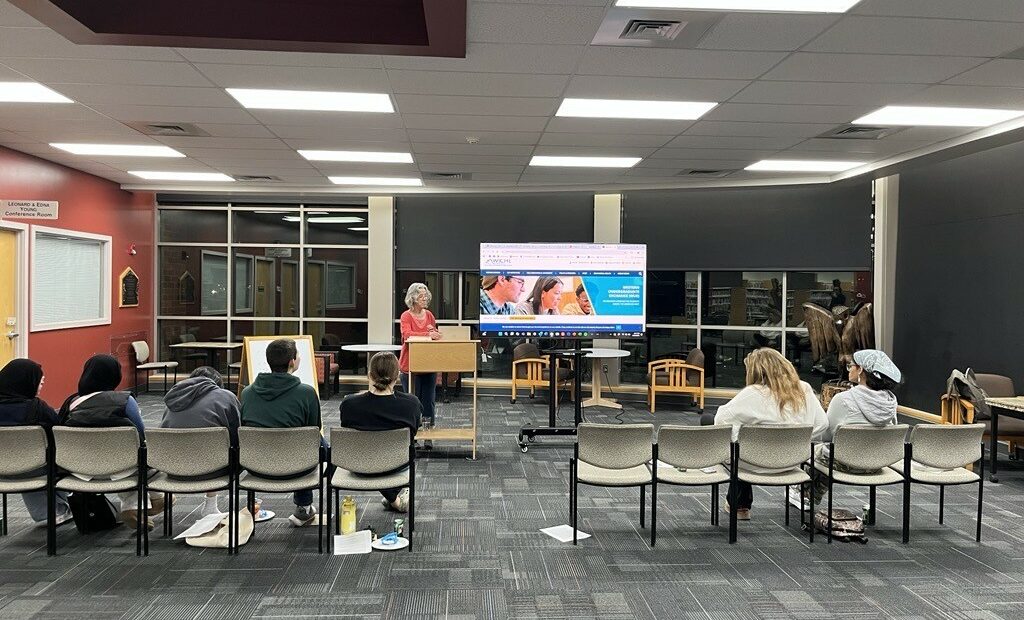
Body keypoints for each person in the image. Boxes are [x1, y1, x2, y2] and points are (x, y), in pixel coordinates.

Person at [710, 348, 827, 521]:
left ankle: (740, 505)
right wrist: (799, 439)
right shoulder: (804, 389)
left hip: (755, 463)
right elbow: (823, 424)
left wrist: (744, 437)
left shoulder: (752, 393)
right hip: (792, 461)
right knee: (746, 439)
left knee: (727, 435)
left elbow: (721, 420)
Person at [61, 354, 162, 531]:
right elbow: (140, 435)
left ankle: (138, 506)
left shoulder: (71, 403)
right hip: (123, 469)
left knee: (124, 461)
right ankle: (137, 505)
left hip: (80, 471)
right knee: (141, 461)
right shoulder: (124, 401)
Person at [240, 338, 324, 527]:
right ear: (292, 362)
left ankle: (252, 505)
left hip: (256, 466)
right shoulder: (306, 393)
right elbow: (313, 431)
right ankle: (304, 507)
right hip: (298, 468)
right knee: (322, 446)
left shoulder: (247, 393)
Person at [801, 349, 901, 507]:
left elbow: (826, 435)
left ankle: (807, 494)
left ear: (861, 369)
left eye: (851, 366)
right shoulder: (890, 402)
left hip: (848, 464)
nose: (849, 370)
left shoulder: (843, 399)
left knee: (812, 448)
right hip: (878, 463)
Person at [339, 352, 421, 512]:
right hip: (396, 465)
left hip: (357, 464)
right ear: (397, 376)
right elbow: (413, 434)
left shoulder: (349, 404)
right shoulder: (411, 405)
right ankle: (393, 496)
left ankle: (393, 498)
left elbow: (346, 427)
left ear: (369, 375)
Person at [0, 359, 72, 526]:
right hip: (34, 470)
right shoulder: (37, 409)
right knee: (56, 457)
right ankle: (57, 509)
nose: (41, 386)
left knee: (24, 459)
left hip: (2, 470)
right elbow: (59, 433)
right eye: (40, 382)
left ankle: (52, 510)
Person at [161, 366, 240, 516]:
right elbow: (238, 433)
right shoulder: (226, 396)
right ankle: (211, 505)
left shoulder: (172, 399)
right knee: (228, 447)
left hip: (172, 470)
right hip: (213, 470)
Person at [399, 282, 440, 430]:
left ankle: (429, 434)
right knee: (412, 401)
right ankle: (412, 435)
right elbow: (407, 335)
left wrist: (435, 335)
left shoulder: (429, 315)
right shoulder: (406, 316)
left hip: (428, 364)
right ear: (413, 298)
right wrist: (428, 335)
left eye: (426, 295)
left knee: (429, 402)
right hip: (410, 365)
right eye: (421, 296)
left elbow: (434, 334)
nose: (424, 299)